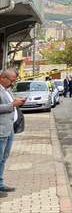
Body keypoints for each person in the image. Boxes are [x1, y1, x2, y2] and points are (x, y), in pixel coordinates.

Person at [0, 69, 26, 197]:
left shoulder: (7, 89)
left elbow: (10, 104)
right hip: (1, 131)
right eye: (11, 81)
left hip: (9, 129)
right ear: (3, 78)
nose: (12, 84)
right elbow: (7, 106)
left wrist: (18, 103)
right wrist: (12, 105)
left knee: (3, 158)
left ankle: (0, 184)